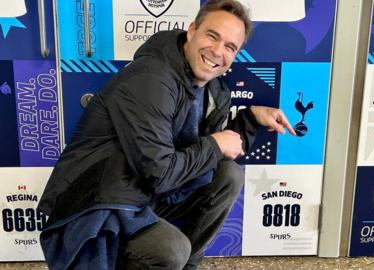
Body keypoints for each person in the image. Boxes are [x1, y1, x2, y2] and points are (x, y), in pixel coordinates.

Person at [38, 0, 295, 269]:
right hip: (94, 205)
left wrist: (251, 118)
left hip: (140, 194)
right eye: (212, 35)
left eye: (230, 47)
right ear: (192, 30)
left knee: (228, 175)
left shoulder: (214, 90)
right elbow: (160, 173)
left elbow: (207, 156)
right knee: (170, 249)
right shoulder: (151, 78)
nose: (218, 51)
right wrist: (215, 146)